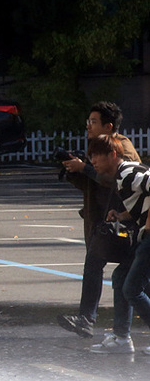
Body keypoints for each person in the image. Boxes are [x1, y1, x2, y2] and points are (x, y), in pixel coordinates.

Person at [57, 101, 140, 338]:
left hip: (125, 222)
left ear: (109, 126)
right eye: (88, 122)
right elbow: (92, 186)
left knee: (128, 280)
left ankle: (96, 323)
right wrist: (74, 171)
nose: (88, 126)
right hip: (106, 222)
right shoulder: (98, 148)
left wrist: (84, 167)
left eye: (93, 122)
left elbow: (119, 180)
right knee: (119, 276)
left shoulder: (122, 147)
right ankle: (95, 323)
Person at [86, 134, 150, 354]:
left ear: (113, 155)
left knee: (132, 288)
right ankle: (122, 337)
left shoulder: (127, 174)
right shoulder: (127, 174)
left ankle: (122, 337)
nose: (92, 161)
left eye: (96, 156)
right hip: (144, 236)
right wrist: (123, 215)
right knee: (121, 277)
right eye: (90, 156)